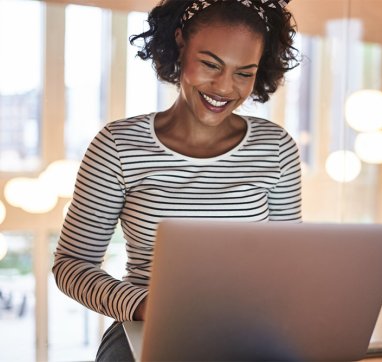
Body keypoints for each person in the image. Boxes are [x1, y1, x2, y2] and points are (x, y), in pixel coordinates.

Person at [52, 0, 302, 360]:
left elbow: (290, 260)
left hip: (247, 331)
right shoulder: (118, 145)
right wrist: (144, 306)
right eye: (210, 64)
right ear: (180, 43)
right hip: (146, 328)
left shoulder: (275, 147)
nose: (224, 87)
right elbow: (71, 265)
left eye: (243, 73)